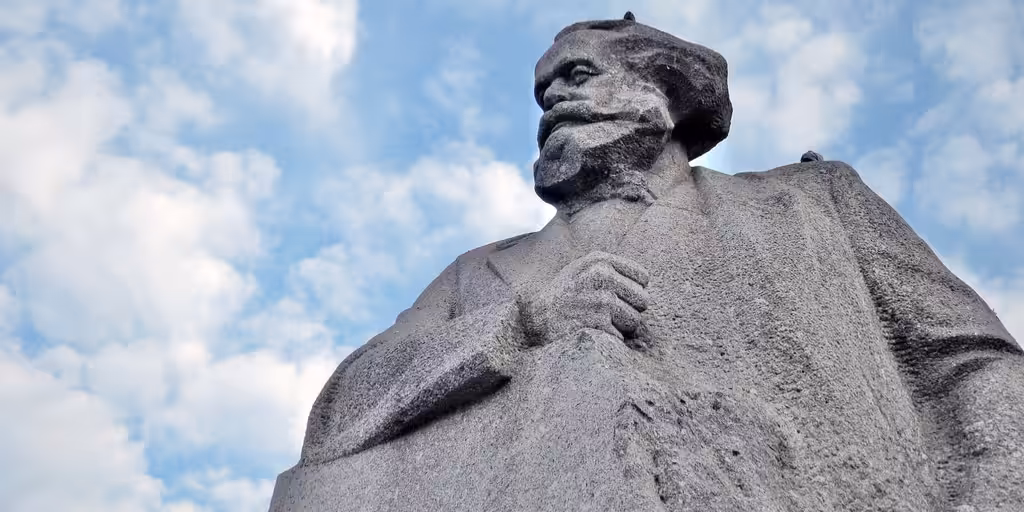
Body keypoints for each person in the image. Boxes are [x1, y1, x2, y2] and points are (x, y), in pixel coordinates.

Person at [271, 15, 1023, 512]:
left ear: (660, 88)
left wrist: (989, 494)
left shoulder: (814, 201)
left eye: (578, 74)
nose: (552, 100)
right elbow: (336, 417)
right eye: (543, 92)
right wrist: (524, 323)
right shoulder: (483, 272)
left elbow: (974, 362)